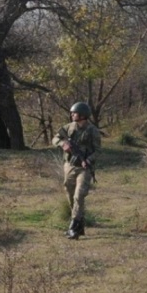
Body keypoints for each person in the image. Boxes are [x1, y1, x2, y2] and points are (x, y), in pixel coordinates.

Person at [52, 101, 101, 240]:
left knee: (79, 196)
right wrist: (63, 144)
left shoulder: (93, 131)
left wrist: (89, 160)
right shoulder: (68, 127)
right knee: (70, 193)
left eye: (75, 113)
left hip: (84, 168)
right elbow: (55, 138)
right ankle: (80, 224)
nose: (72, 114)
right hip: (69, 166)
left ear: (83, 115)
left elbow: (98, 150)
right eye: (72, 112)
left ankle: (73, 228)